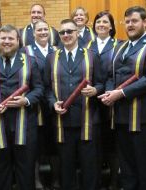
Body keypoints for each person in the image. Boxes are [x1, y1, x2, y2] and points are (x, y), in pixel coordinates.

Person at [99, 6, 146, 190]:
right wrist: (108, 92)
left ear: (145, 22)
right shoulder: (120, 47)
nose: (130, 25)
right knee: (127, 168)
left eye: (134, 21)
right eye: (127, 21)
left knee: (144, 168)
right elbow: (110, 76)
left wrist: (119, 93)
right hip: (122, 116)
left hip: (144, 117)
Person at [0, 24, 43, 190]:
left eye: (10, 38)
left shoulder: (30, 62)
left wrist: (26, 100)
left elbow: (39, 88)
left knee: (25, 169)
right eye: (3, 38)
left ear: (18, 41)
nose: (7, 41)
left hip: (25, 124)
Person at [44, 19, 104, 190]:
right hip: (62, 121)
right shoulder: (51, 58)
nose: (66, 35)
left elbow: (102, 82)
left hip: (88, 120)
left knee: (90, 167)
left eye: (70, 31)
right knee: (66, 167)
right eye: (62, 32)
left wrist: (95, 90)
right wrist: (52, 103)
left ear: (78, 33)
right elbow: (46, 88)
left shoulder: (92, 55)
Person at [21, 20, 58, 190]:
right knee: (34, 147)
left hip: (53, 105)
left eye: (45, 29)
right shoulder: (26, 51)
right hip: (33, 105)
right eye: (39, 30)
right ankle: (37, 180)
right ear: (33, 33)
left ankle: (56, 179)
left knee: (54, 144)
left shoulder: (57, 50)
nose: (43, 32)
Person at [88, 11, 120, 190]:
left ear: (111, 27)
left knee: (112, 143)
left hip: (111, 99)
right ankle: (97, 180)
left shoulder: (118, 46)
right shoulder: (87, 46)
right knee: (95, 143)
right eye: (98, 21)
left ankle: (114, 181)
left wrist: (109, 92)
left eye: (105, 22)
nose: (101, 24)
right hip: (91, 101)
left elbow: (117, 74)